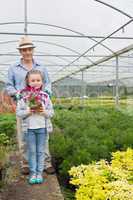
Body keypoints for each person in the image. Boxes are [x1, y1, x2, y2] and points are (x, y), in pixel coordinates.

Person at [6, 36, 55, 174]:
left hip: (40, 106)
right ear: (20, 52)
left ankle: (46, 163)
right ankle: (26, 164)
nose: (27, 52)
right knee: (24, 135)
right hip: (24, 107)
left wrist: (44, 95)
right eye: (23, 50)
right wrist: (19, 95)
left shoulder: (41, 67)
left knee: (43, 134)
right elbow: (9, 86)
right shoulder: (13, 68)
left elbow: (48, 83)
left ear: (33, 50)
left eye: (29, 49)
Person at [16, 70, 54, 184]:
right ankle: (33, 173)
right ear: (28, 82)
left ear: (42, 82)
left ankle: (39, 173)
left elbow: (51, 113)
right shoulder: (24, 97)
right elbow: (19, 113)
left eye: (38, 80)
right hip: (29, 129)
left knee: (41, 151)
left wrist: (43, 112)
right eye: (33, 80)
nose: (36, 82)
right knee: (32, 151)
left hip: (42, 128)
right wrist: (29, 110)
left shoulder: (46, 96)